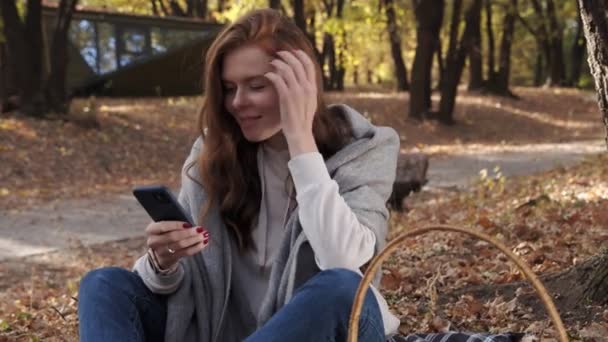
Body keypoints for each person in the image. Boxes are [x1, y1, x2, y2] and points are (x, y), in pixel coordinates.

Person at [77, 8, 402, 342]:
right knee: (103, 285)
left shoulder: (366, 148)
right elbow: (188, 288)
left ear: (301, 84)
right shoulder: (212, 153)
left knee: (341, 288)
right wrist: (163, 262)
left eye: (256, 86)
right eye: (229, 88)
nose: (238, 102)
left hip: (333, 327)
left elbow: (343, 261)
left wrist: (301, 141)